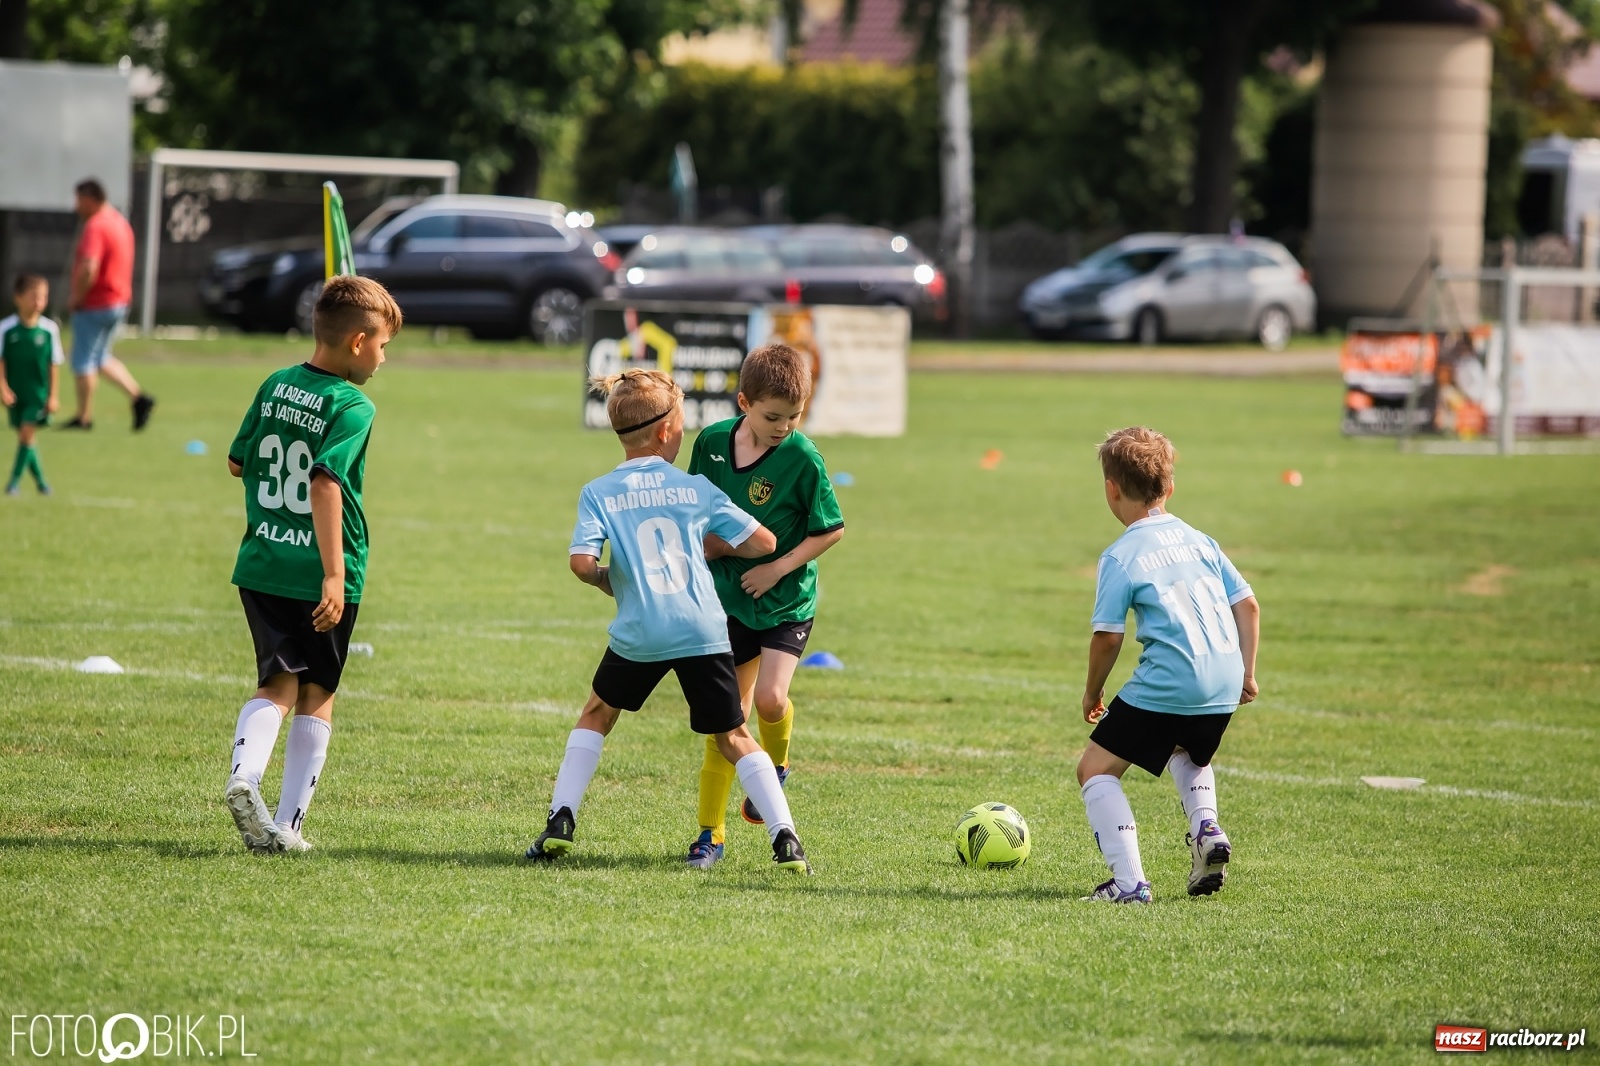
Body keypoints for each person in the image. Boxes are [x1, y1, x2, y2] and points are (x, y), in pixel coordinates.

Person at [526, 367, 812, 874]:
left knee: (597, 713)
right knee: (734, 734)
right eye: (680, 425)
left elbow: (581, 563)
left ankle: (560, 820)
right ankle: (785, 837)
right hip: (703, 628)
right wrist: (717, 545)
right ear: (664, 432)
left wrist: (608, 580)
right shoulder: (694, 487)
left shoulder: (599, 491)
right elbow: (764, 542)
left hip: (641, 630)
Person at [221, 275, 400, 853]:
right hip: (320, 570)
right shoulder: (353, 404)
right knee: (318, 689)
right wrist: (333, 573)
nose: (382, 357)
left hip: (262, 561)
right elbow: (325, 482)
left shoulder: (276, 384)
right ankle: (290, 825)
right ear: (357, 342)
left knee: (275, 680)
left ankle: (245, 778)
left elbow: (236, 461)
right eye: (382, 345)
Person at [1078, 426, 1260, 903]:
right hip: (1222, 681)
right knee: (1189, 750)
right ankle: (1206, 829)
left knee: (1095, 769)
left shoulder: (1120, 555)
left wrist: (1093, 693)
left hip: (1170, 682)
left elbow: (1107, 637)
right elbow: (1249, 605)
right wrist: (1247, 672)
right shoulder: (1202, 541)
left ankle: (1129, 883)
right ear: (1170, 487)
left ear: (1111, 489)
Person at [681, 342, 845, 869]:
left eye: (794, 417)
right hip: (726, 601)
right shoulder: (708, 443)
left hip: (786, 601)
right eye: (773, 416)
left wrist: (776, 567)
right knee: (727, 720)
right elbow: (695, 513)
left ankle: (773, 771)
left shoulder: (802, 457)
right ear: (743, 401)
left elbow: (831, 530)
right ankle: (711, 835)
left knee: (772, 701)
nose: (783, 427)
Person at [64, 178, 154, 431]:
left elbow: (89, 266)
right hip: (118, 301)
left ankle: (83, 417)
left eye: (79, 200)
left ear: (91, 199)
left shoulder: (96, 225)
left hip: (95, 302)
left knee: (83, 360)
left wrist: (77, 297)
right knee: (100, 357)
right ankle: (139, 398)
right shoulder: (119, 222)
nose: (76, 206)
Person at [1, 275, 64, 495]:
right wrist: (3, 387)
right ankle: (42, 483)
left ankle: (13, 483)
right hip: (15, 394)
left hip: (38, 394)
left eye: (43, 297)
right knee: (26, 438)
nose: (39, 302)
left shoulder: (49, 330)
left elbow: (53, 364)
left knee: (27, 433)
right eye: (34, 297)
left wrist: (53, 396)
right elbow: (1, 362)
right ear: (18, 298)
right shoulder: (6, 329)